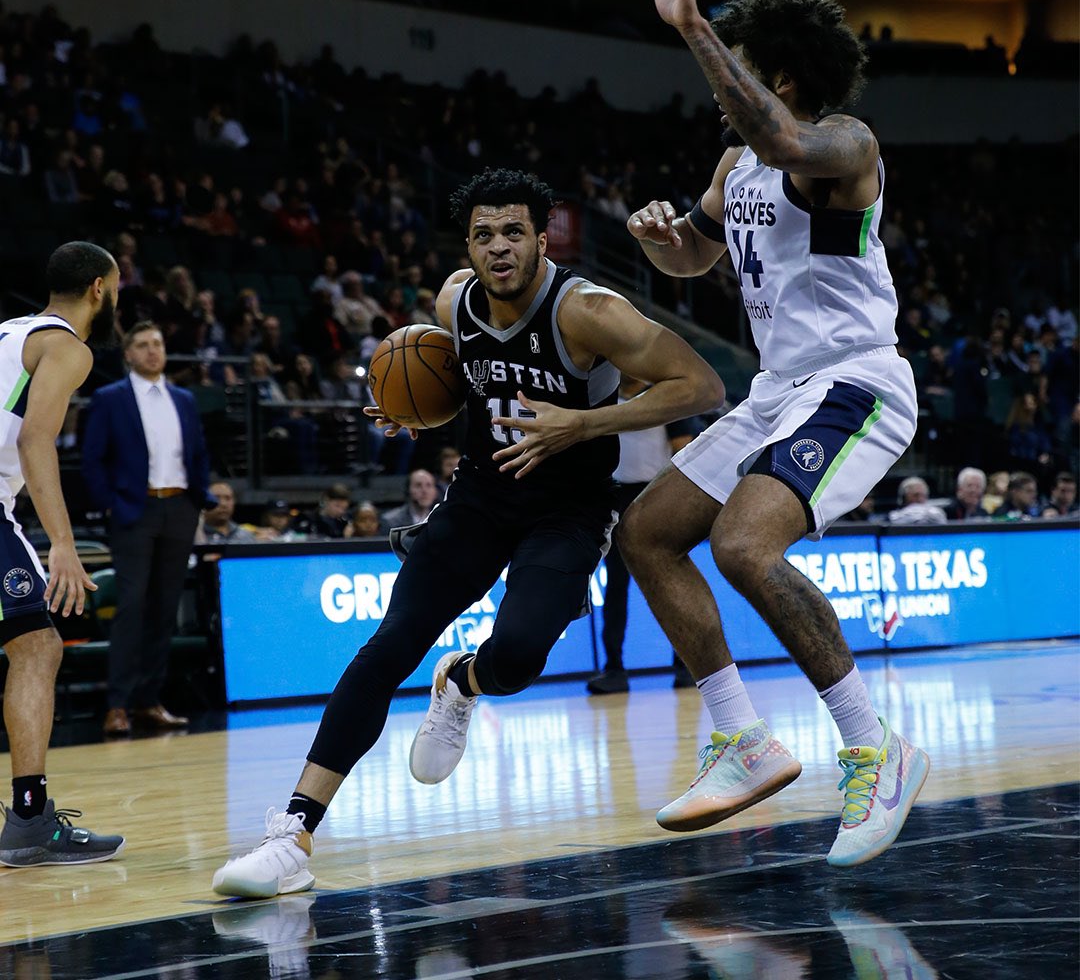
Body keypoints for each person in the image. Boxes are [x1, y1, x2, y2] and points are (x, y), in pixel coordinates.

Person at [211, 166, 723, 898]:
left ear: (542, 240)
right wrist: (412, 410)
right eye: (484, 235)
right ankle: (292, 833)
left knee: (516, 657)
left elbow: (701, 385)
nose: (499, 247)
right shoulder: (454, 301)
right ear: (468, 246)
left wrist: (582, 423)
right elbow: (467, 384)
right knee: (389, 646)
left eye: (514, 231)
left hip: (569, 510)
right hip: (480, 497)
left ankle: (462, 681)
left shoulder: (588, 312)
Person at [616, 0, 929, 870]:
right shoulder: (734, 164)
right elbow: (702, 253)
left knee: (743, 545)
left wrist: (692, 26)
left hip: (856, 379)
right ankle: (742, 737)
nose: (723, 88)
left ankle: (875, 746)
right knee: (647, 533)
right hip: (778, 389)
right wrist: (665, 241)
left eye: (742, 66)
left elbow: (783, 136)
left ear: (781, 76)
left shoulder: (845, 143)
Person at [0, 241, 125, 866]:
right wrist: (65, 545)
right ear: (99, 288)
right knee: (38, 646)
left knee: (30, 645)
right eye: (117, 286)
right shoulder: (67, 346)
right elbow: (35, 439)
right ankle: (29, 821)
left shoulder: (9, 332)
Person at [82, 321, 215, 736]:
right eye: (142, 344)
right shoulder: (109, 398)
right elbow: (92, 459)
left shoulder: (184, 399)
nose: (152, 350)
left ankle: (148, 701)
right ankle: (117, 704)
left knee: (164, 609)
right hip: (134, 510)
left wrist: (199, 497)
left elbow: (198, 452)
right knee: (132, 606)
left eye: (157, 343)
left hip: (179, 507)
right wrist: (110, 504)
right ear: (128, 354)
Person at [586, 376, 698, 694]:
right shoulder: (604, 397)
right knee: (616, 587)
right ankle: (614, 669)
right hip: (616, 497)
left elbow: (684, 449)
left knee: (670, 583)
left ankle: (686, 664)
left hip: (656, 495)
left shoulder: (664, 396)